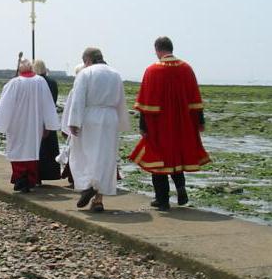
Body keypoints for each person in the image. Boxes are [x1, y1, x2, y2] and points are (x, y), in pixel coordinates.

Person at [129, 36, 210, 211]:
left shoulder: (152, 70)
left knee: (158, 160)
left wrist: (143, 126)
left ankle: (162, 200)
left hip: (159, 124)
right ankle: (181, 189)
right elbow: (195, 98)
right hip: (182, 123)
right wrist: (200, 121)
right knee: (177, 156)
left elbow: (145, 102)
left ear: (157, 49)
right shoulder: (186, 69)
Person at [66, 48, 130, 211]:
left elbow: (78, 98)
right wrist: (121, 123)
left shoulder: (86, 73)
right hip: (110, 117)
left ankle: (89, 186)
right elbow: (121, 101)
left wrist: (73, 121)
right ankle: (98, 199)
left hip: (90, 116)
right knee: (105, 157)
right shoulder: (115, 74)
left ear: (87, 60)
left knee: (87, 154)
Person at [0, 58, 60, 192]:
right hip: (35, 123)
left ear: (19, 69)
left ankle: (20, 177)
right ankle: (29, 179)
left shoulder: (13, 83)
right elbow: (48, 104)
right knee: (32, 150)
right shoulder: (40, 82)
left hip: (16, 123)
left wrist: (1, 124)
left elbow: (5, 106)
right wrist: (49, 124)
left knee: (17, 150)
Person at [33, 60, 61, 183]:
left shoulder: (34, 82)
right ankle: (50, 173)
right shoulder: (52, 82)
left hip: (36, 117)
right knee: (49, 149)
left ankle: (36, 175)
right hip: (49, 116)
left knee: (37, 148)